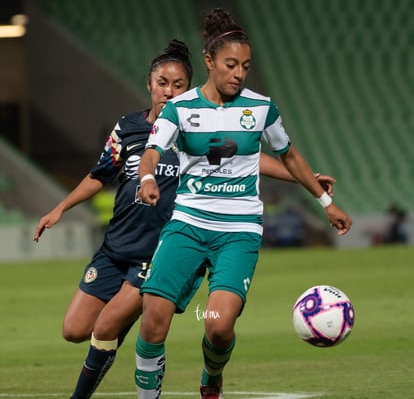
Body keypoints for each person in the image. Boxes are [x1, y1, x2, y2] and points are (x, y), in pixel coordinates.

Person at [32, 39, 335, 399]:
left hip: (157, 250)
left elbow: (247, 158)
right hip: (116, 247)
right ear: (149, 83)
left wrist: (305, 178)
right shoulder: (127, 129)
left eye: (178, 85)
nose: (169, 92)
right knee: (74, 330)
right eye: (163, 83)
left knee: (109, 324)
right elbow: (100, 174)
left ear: (187, 88)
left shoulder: (190, 127)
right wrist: (59, 208)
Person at [135, 8, 352, 399]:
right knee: (153, 321)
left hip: (238, 232)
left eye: (246, 66)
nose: (239, 73)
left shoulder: (262, 108)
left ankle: (211, 376)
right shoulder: (179, 108)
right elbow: (151, 152)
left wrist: (323, 201)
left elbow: (288, 155)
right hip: (187, 224)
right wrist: (147, 177)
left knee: (217, 325)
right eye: (231, 64)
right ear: (209, 61)